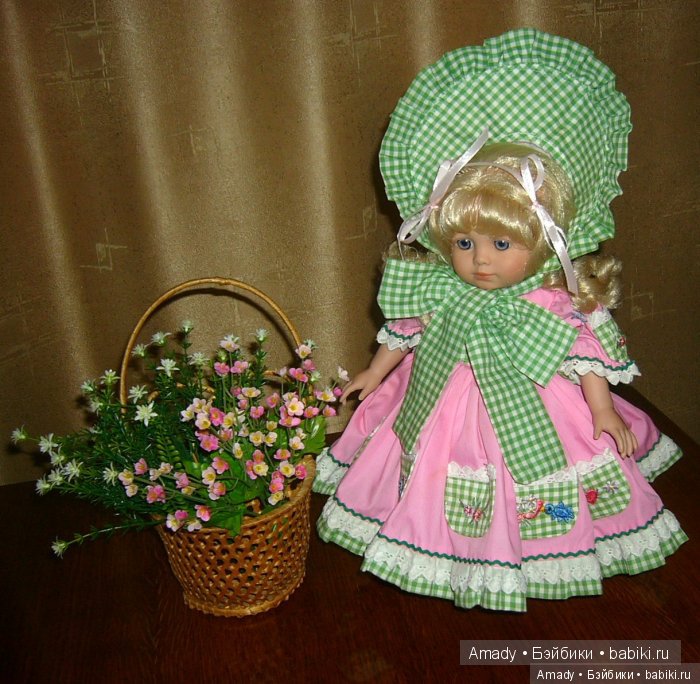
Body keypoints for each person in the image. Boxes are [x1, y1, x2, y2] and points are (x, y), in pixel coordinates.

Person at [312, 29, 687, 612]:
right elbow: (407, 333)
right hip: (443, 394)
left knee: (540, 473)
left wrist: (602, 408)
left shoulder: (550, 300)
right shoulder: (441, 287)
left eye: (502, 243)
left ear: (544, 242)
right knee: (431, 460)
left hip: (535, 398)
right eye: (464, 242)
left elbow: (583, 353)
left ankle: (538, 549)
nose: (480, 260)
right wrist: (374, 373)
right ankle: (444, 545)